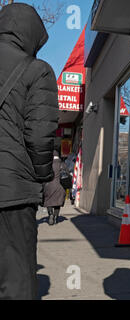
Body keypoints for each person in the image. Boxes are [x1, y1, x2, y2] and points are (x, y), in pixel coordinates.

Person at [0, 4, 59, 299]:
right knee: (17, 279)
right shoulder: (37, 71)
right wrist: (44, 177)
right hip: (12, 193)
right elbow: (39, 136)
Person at [43, 150, 67, 226]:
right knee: (57, 202)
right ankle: (56, 217)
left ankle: (50, 214)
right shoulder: (62, 164)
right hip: (60, 186)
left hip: (49, 186)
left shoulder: (48, 164)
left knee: (49, 201)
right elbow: (68, 175)